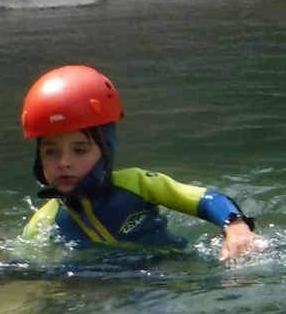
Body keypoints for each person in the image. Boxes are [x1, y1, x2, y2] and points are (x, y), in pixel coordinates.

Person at [20, 65, 259, 262]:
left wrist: (235, 226)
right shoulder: (43, 223)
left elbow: (207, 200)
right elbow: (21, 264)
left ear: (106, 150)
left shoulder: (137, 183)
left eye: (79, 150)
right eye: (51, 152)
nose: (63, 163)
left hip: (168, 272)